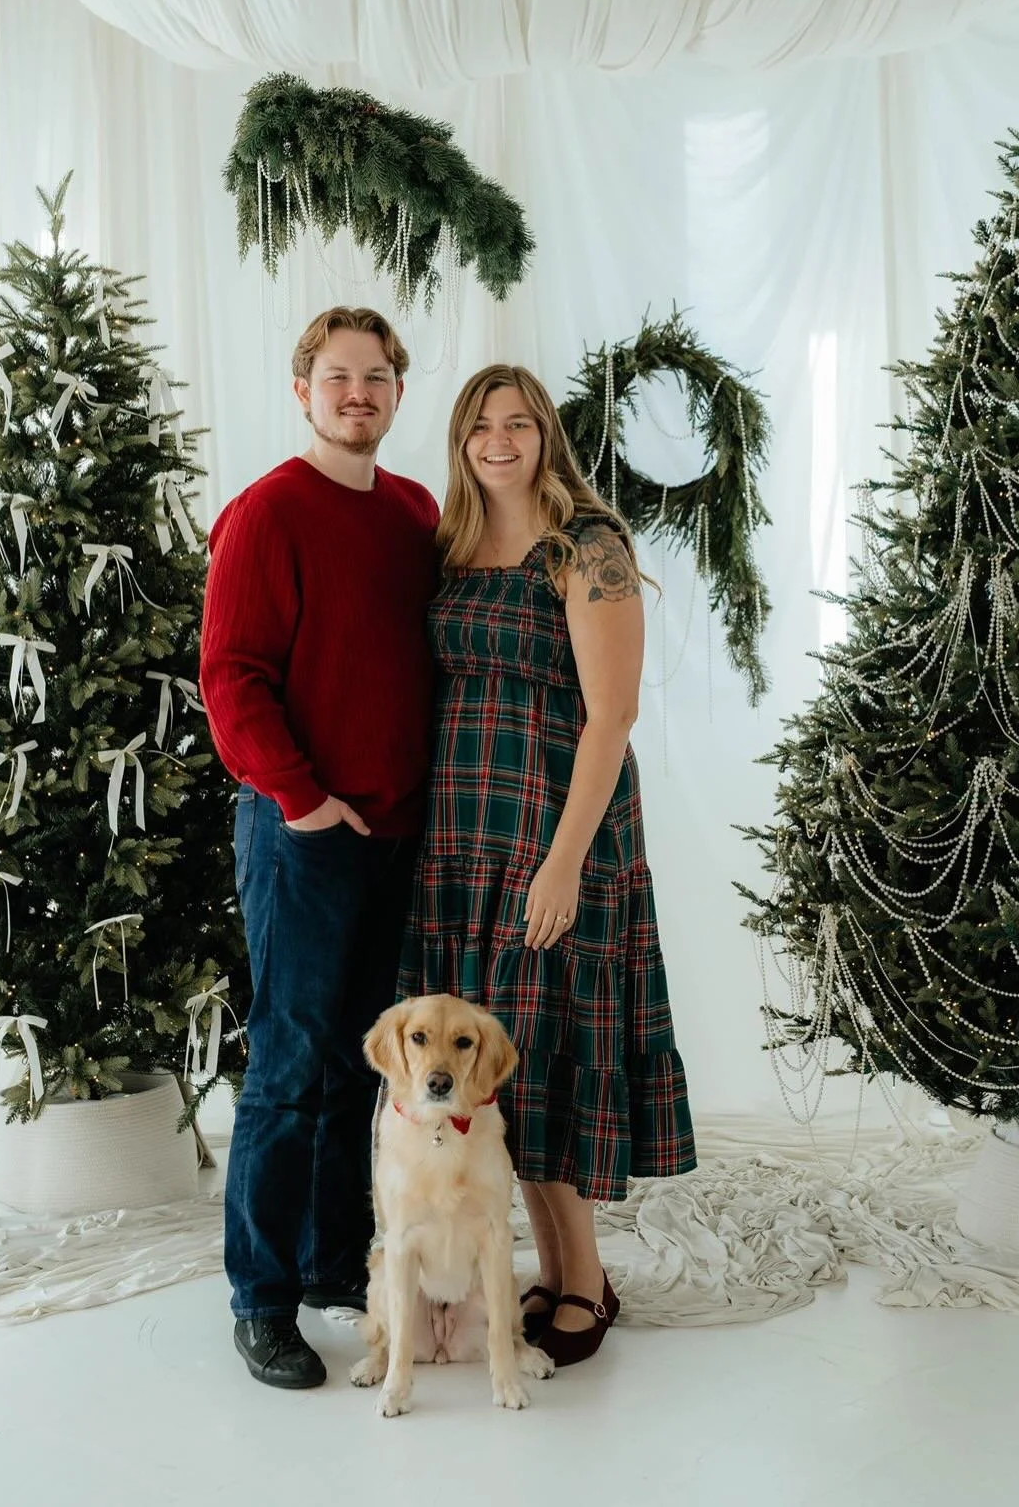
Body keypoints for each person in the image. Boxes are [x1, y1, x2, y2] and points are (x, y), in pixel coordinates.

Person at [398, 363, 697, 1367]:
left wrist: (564, 863)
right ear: (460, 439)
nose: (499, 438)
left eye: (517, 422)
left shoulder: (588, 546)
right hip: (464, 842)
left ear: (544, 436)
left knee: (550, 1049)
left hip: (557, 834)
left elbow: (611, 714)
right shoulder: (451, 544)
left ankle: (588, 1278)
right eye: (481, 424)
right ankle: (559, 1269)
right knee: (495, 1068)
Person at [200, 306, 440, 1391]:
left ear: (397, 393)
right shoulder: (267, 513)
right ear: (304, 389)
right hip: (300, 831)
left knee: (364, 1062)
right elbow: (232, 674)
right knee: (290, 1066)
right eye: (338, 377)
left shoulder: (414, 512)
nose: (359, 394)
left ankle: (336, 1259)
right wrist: (300, 796)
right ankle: (261, 1296)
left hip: (394, 831)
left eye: (377, 378)